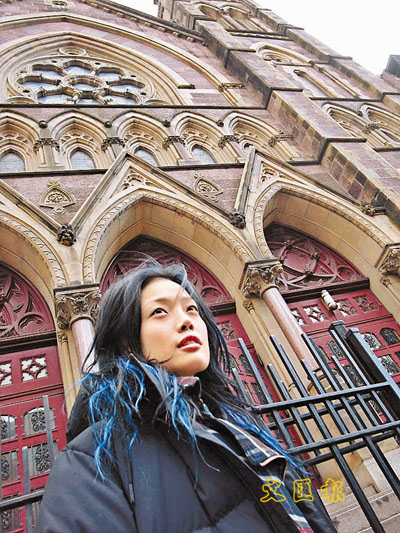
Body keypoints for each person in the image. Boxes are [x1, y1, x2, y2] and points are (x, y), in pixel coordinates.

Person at [36, 261, 336, 533]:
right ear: (126, 341)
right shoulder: (93, 461)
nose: (186, 321)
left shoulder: (239, 425)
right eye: (159, 312)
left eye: (192, 309)